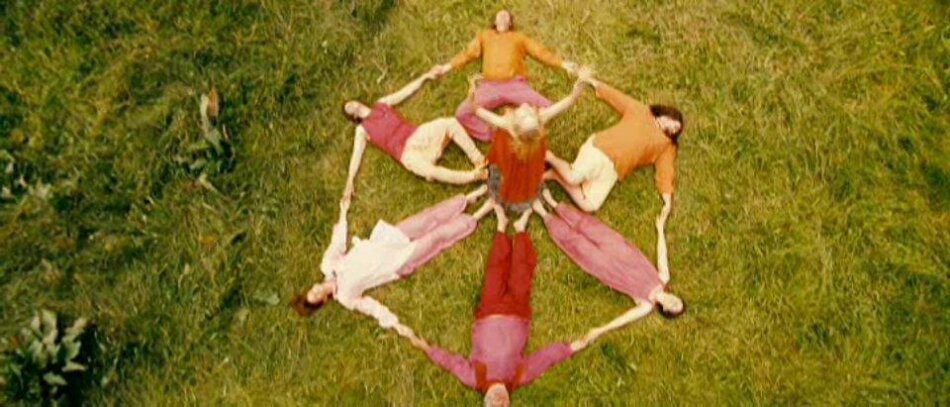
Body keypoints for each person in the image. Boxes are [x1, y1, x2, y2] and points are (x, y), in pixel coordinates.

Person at [404, 206, 595, 407]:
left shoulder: (475, 378)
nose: (499, 403)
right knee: (521, 274)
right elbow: (545, 359)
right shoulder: (518, 377)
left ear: (485, 402)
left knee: (495, 271)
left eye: (493, 406)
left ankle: (501, 227)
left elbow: (451, 363)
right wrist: (572, 347)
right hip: (518, 312)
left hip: (489, 310)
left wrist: (425, 347)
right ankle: (520, 230)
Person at [292, 187, 493, 337]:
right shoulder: (345, 296)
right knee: (434, 238)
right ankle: (480, 212)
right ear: (323, 301)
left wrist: (343, 212)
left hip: (386, 239)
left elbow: (337, 243)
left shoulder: (327, 265)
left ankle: (469, 197)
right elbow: (371, 307)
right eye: (316, 296)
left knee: (425, 219)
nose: (316, 289)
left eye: (312, 290)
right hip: (395, 262)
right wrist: (395, 324)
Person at [531, 190, 684, 344]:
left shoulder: (646, 305)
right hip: (621, 251)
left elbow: (623, 320)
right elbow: (662, 254)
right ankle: (554, 204)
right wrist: (660, 229)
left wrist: (599, 330)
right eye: (677, 301)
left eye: (674, 307)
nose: (674, 302)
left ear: (666, 310)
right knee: (590, 228)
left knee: (578, 245)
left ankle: (544, 214)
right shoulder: (663, 277)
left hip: (607, 268)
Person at [544, 76, 684, 239]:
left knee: (590, 205)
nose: (672, 128)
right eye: (674, 122)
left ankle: (555, 175)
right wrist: (594, 83)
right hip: (601, 149)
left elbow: (666, 172)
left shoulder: (667, 145)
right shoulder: (643, 112)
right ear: (666, 114)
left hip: (614, 171)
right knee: (573, 177)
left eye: (675, 130)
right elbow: (618, 98)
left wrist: (667, 200)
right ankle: (549, 156)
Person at [341, 66, 487, 209]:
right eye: (348, 108)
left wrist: (424, 76)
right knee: (431, 172)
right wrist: (350, 180)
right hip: (407, 154)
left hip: (417, 135)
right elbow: (356, 155)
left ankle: (478, 159)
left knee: (450, 123)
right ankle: (473, 176)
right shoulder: (362, 130)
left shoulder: (381, 104)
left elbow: (403, 92)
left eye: (351, 102)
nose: (351, 105)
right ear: (353, 116)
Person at [434, 9, 580, 142]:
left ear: (510, 23)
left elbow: (539, 52)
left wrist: (562, 64)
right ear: (495, 21)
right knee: (462, 113)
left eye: (506, 17)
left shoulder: (519, 37)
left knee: (548, 107)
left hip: (516, 85)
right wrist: (446, 67)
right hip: (489, 86)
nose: (503, 18)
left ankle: (526, 129)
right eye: (500, 16)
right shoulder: (485, 35)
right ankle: (494, 135)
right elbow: (468, 54)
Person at [473, 71, 589, 213]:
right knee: (526, 172)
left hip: (510, 157)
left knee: (509, 172)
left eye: (525, 114)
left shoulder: (507, 123)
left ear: (516, 124)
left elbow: (477, 110)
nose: (526, 107)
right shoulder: (541, 118)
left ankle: (513, 185)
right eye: (529, 113)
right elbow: (566, 104)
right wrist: (575, 93)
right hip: (531, 155)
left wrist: (474, 93)